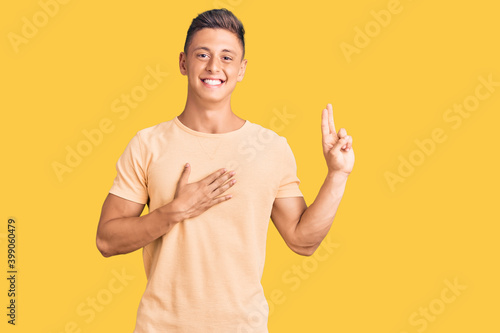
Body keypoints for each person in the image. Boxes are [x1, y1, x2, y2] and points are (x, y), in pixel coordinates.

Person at [96, 8, 354, 333]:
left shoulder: (271, 147)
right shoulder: (147, 144)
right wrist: (173, 212)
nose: (213, 67)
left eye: (227, 57)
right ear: (183, 62)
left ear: (242, 69)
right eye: (202, 54)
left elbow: (303, 241)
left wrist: (337, 175)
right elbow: (107, 240)